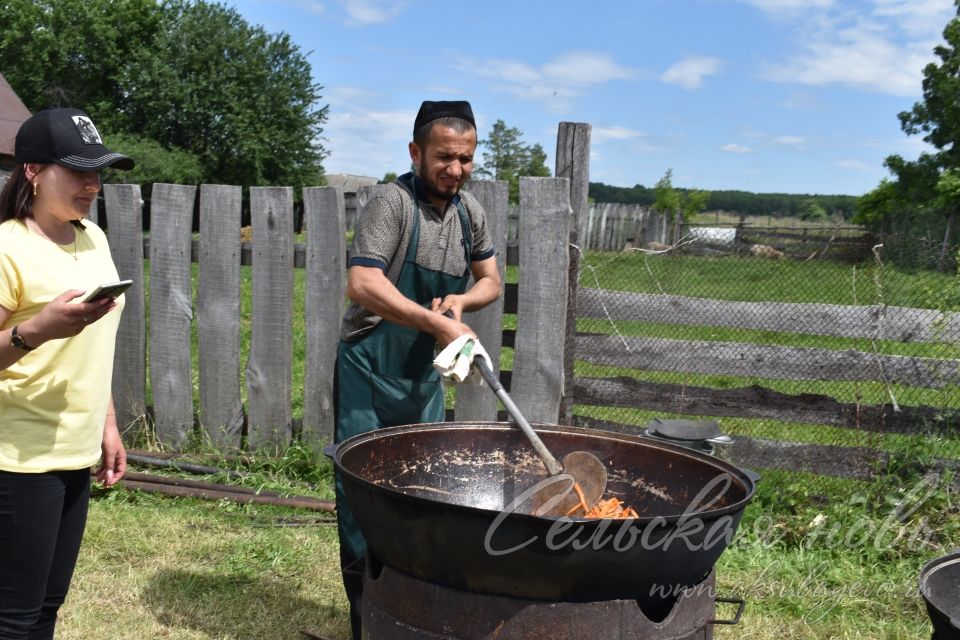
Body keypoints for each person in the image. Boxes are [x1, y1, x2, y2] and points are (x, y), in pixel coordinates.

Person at [334, 100, 501, 638]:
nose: (456, 170)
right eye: (445, 157)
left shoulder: (469, 213)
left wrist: (460, 302)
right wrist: (436, 328)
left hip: (421, 378)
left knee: (423, 496)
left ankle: (413, 618)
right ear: (416, 152)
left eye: (466, 159)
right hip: (367, 370)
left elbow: (492, 281)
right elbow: (364, 284)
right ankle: (367, 620)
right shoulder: (392, 203)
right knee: (363, 499)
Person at [0, 107, 134, 639]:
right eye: (77, 170)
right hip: (19, 457)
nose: (92, 184)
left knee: (48, 607)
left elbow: (95, 343)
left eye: (97, 171)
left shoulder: (92, 238)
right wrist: (36, 330)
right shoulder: (8, 246)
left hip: (75, 450)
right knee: (13, 617)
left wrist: (107, 423)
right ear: (32, 170)